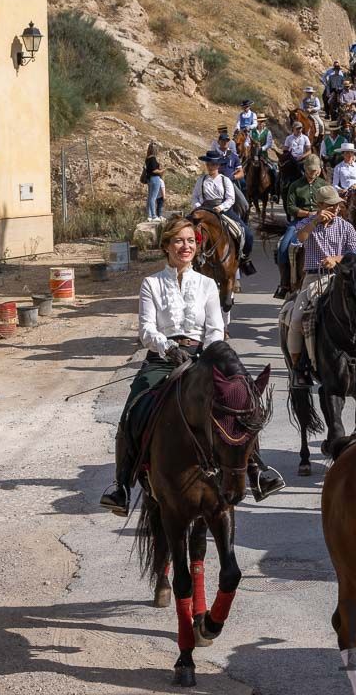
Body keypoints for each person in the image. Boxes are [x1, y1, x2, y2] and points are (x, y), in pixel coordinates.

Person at [99, 216, 225, 515]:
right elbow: (146, 330)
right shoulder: (151, 284)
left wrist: (205, 353)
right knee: (133, 409)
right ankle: (121, 486)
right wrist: (169, 348)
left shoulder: (208, 284)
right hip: (161, 358)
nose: (186, 247)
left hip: (199, 357)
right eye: (179, 241)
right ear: (166, 245)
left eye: (191, 241)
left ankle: (256, 470)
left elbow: (216, 328)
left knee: (237, 402)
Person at [286, 186, 356, 386]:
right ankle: (298, 367)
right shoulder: (307, 223)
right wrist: (314, 221)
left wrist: (337, 259)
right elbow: (299, 238)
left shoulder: (346, 227)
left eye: (337, 205)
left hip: (340, 277)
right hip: (314, 278)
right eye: (330, 206)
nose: (335, 209)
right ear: (319, 206)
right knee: (296, 319)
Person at [276, 157, 329, 299]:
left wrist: (321, 214)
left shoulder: (324, 185)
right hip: (300, 221)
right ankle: (285, 283)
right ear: (305, 170)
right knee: (283, 246)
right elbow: (290, 207)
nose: (313, 172)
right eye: (311, 170)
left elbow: (331, 203)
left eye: (316, 169)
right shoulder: (295, 185)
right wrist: (308, 213)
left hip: (321, 220)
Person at [191, 150, 253, 265]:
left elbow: (231, 199)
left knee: (247, 234)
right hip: (204, 210)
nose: (211, 166)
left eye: (213, 164)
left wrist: (221, 207)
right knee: (184, 229)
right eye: (209, 164)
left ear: (218, 165)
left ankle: (244, 259)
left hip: (223, 210)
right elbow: (195, 197)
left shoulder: (225, 180)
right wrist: (198, 207)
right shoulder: (201, 180)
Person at [141, 142, 165, 221]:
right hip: (155, 179)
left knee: (150, 197)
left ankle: (150, 215)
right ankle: (154, 216)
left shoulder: (147, 159)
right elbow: (154, 171)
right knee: (153, 198)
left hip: (149, 179)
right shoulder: (153, 158)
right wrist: (162, 171)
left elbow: (149, 170)